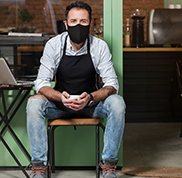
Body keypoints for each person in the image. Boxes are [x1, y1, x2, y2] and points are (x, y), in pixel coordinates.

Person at [26, 1, 126, 178]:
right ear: (66, 24)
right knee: (34, 103)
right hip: (60, 106)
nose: (78, 26)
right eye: (73, 21)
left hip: (92, 106)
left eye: (83, 22)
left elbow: (112, 85)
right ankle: (39, 167)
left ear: (90, 24)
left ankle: (109, 165)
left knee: (117, 103)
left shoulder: (99, 46)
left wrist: (90, 97)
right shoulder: (54, 45)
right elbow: (41, 83)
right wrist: (59, 97)